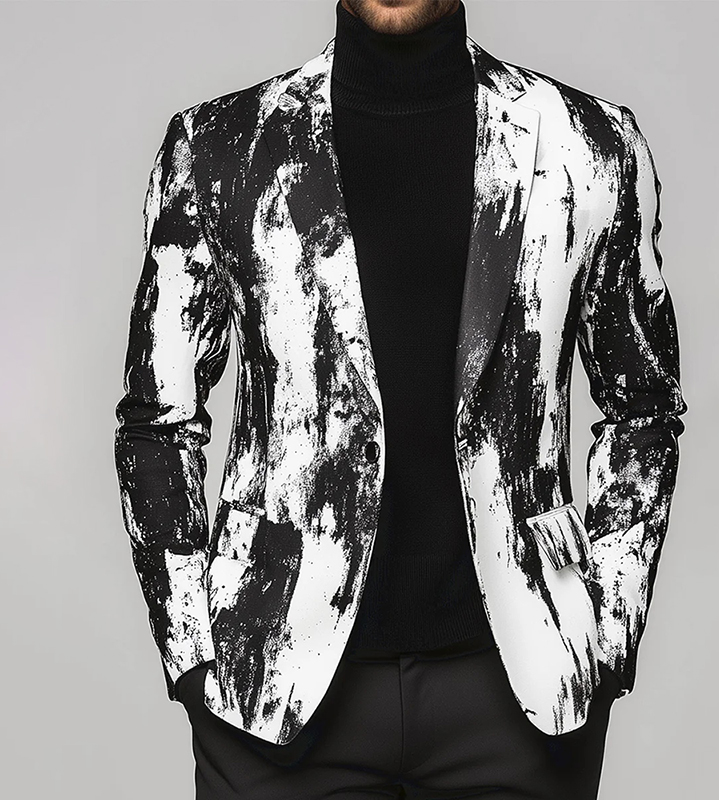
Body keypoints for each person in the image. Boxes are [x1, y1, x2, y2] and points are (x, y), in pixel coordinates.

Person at [113, 1, 688, 797]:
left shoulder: (589, 144)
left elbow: (643, 410)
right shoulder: (218, 148)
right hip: (272, 689)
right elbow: (156, 421)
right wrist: (192, 654)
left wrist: (610, 629)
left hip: (522, 695)